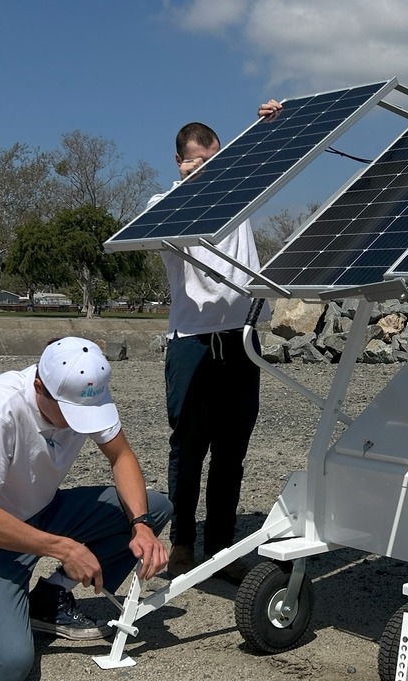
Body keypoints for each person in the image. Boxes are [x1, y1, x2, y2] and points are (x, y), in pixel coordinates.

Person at [0, 336, 172, 681]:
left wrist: (141, 525)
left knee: (154, 507)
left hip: (39, 512)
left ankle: (46, 601)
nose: (78, 424)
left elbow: (122, 456)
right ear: (39, 386)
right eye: (70, 413)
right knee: (6, 668)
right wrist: (65, 548)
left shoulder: (85, 390)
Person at [153, 99, 282, 583]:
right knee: (187, 449)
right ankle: (183, 543)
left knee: (232, 452)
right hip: (192, 342)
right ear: (179, 162)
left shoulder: (240, 195)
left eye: (214, 160)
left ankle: (222, 548)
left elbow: (275, 157)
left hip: (242, 338)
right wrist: (193, 182)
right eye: (195, 161)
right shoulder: (162, 208)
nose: (205, 169)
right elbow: (165, 220)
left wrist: (275, 123)